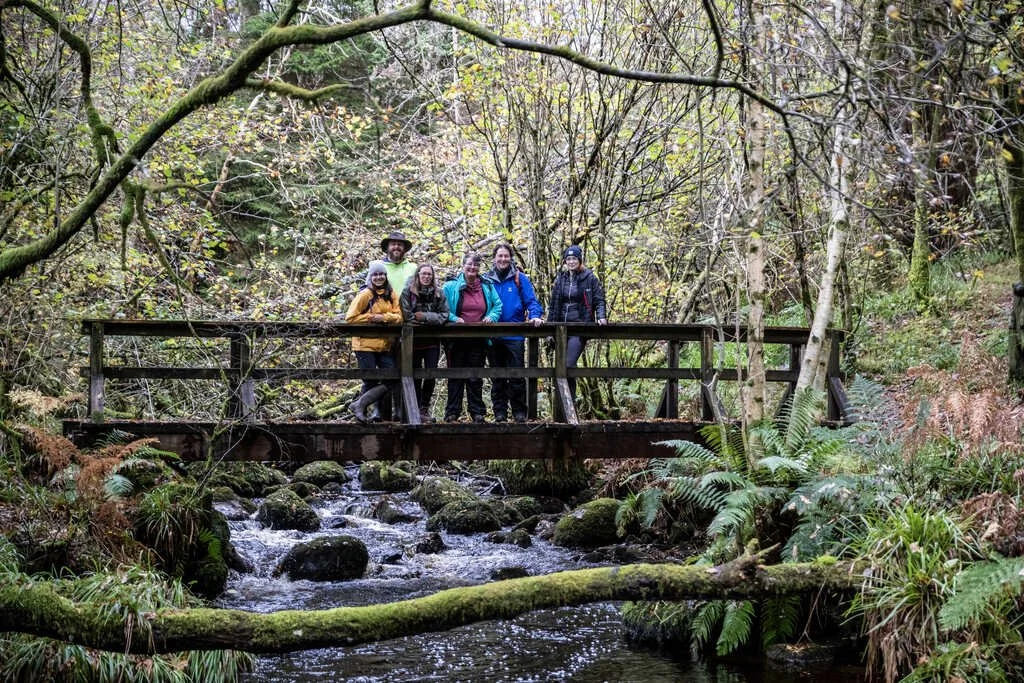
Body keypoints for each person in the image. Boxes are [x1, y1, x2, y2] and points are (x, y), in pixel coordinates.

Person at [484, 244, 543, 422]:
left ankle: (519, 412)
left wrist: (535, 315)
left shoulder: (519, 278)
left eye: (506, 256)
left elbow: (531, 301)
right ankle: (500, 413)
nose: (503, 259)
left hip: (515, 334)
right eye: (500, 256)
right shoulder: (486, 279)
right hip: (493, 334)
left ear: (510, 258)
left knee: (516, 375)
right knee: (497, 376)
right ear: (494, 258)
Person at [442, 253, 502, 423]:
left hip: (478, 337)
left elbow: (498, 305)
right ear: (463, 266)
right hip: (456, 338)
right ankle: (452, 412)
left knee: (475, 376)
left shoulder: (486, 286)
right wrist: (454, 319)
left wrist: (491, 317)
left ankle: (477, 412)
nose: (472, 268)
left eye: (476, 265)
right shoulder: (450, 286)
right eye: (469, 264)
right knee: (455, 375)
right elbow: (443, 309)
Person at [547, 245, 607, 399]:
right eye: (568, 259)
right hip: (560, 328)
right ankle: (567, 404)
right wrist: (549, 329)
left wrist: (601, 316)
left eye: (574, 258)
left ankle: (569, 403)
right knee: (562, 368)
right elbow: (554, 305)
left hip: (579, 328)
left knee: (567, 365)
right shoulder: (561, 279)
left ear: (580, 260)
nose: (571, 262)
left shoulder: (590, 278)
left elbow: (599, 300)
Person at [346, 261, 403, 423]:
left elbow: (399, 317)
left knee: (392, 378)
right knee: (370, 380)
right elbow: (350, 318)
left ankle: (359, 405)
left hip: (384, 345)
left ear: (386, 276)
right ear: (370, 277)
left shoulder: (390, 294)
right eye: (375, 274)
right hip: (364, 344)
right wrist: (371, 318)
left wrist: (383, 317)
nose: (379, 277)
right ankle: (364, 413)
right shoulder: (365, 295)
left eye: (382, 274)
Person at [400, 264, 450, 421]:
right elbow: (407, 316)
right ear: (418, 275)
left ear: (433, 276)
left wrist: (424, 317)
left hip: (432, 341)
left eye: (429, 274)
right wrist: (430, 319)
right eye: (424, 274)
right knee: (414, 374)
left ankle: (424, 407)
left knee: (431, 374)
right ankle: (414, 408)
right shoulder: (408, 292)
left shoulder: (439, 293)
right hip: (412, 341)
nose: (426, 277)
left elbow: (444, 315)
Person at [381, 230, 418, 295]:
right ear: (387, 247)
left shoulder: (413, 268)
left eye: (400, 244)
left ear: (404, 248)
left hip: (407, 301)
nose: (396, 247)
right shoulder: (379, 267)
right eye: (393, 244)